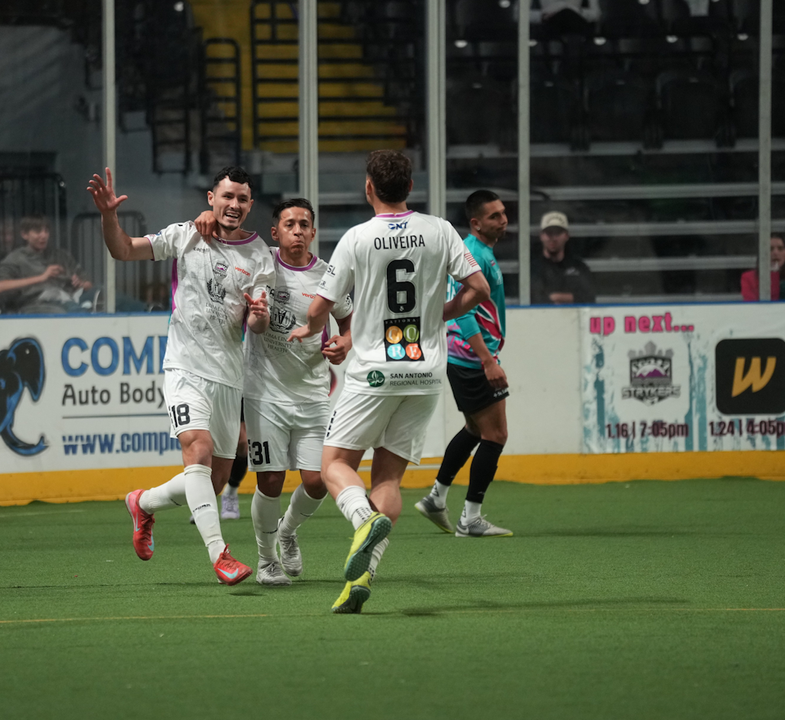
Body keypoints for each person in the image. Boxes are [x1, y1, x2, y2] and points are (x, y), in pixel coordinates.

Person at [287, 150, 488, 613]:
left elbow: (321, 307)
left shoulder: (358, 238)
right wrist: (440, 312)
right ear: (410, 187)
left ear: (369, 187)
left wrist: (308, 327)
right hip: (425, 370)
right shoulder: (439, 229)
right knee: (389, 477)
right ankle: (364, 576)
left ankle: (361, 519)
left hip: (375, 369)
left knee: (334, 462)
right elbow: (475, 290)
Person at [89, 165, 274, 586]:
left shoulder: (260, 254)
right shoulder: (185, 234)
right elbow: (123, 250)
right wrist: (108, 216)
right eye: (227, 196)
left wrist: (259, 315)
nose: (234, 205)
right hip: (185, 366)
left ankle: (143, 502)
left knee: (217, 477)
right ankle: (220, 554)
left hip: (229, 377)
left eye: (242, 199)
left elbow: (258, 325)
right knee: (199, 450)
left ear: (250, 205)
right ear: (211, 198)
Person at [196, 198, 354, 586]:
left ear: (313, 232)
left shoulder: (328, 276)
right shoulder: (261, 263)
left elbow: (349, 322)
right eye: (289, 224)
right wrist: (204, 216)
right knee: (270, 481)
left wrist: (344, 343)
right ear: (275, 232)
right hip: (265, 394)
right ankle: (267, 560)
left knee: (317, 481)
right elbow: (222, 234)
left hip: (314, 394)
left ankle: (286, 531)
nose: (297, 230)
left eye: (304, 224)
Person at [414, 189, 514, 539]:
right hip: (473, 357)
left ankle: (436, 498)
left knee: (475, 430)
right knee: (496, 434)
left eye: (503, 213)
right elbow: (463, 312)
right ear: (475, 223)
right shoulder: (472, 253)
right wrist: (488, 360)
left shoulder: (482, 252)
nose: (503, 220)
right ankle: (470, 518)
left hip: (468, 355)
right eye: (494, 216)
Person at [0, 216, 93, 314]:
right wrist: (42, 277)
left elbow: (89, 285)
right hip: (34, 304)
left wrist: (80, 284)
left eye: (46, 231)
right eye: (37, 231)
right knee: (64, 313)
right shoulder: (16, 258)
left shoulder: (61, 256)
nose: (43, 236)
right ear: (24, 234)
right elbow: (0, 286)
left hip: (68, 299)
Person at [530, 211, 595, 305]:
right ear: (541, 236)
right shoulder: (533, 269)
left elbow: (590, 298)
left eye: (557, 233)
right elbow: (533, 300)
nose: (553, 238)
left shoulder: (579, 267)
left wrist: (557, 297)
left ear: (566, 236)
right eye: (549, 233)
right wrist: (571, 298)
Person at [741, 233, 785, 301]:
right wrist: (773, 274)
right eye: (770, 249)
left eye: (780, 248)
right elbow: (752, 306)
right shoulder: (748, 277)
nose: (775, 253)